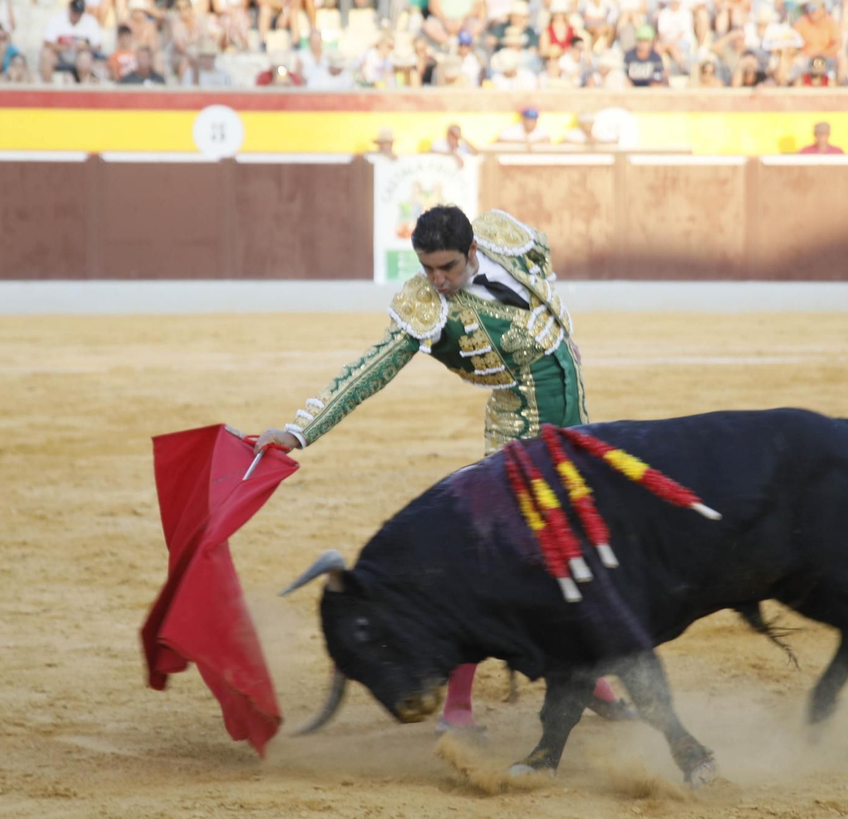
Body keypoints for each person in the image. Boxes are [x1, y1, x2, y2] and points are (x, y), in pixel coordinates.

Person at [254, 205, 632, 734]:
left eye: (448, 268)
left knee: (570, 559)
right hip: (517, 443)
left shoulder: (509, 242)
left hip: (575, 432)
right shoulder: (427, 309)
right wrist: (299, 430)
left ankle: (585, 681)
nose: (438, 280)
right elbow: (371, 369)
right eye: (428, 269)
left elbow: (543, 263)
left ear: (473, 250)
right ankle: (465, 705)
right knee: (506, 571)